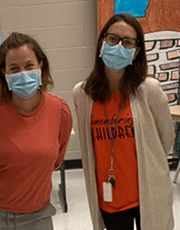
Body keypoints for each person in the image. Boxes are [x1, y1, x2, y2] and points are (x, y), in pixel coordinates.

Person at [72, 13, 174, 230]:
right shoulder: (82, 94)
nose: (118, 46)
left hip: (148, 193)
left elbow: (166, 138)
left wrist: (151, 165)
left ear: (136, 52)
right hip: (110, 197)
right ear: (102, 42)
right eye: (112, 39)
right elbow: (89, 147)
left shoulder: (149, 90)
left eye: (127, 42)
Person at [0, 32, 72, 229]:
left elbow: (56, 161)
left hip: (39, 216)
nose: (23, 73)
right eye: (14, 68)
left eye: (29, 66)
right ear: (4, 74)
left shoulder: (60, 111)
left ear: (40, 65)